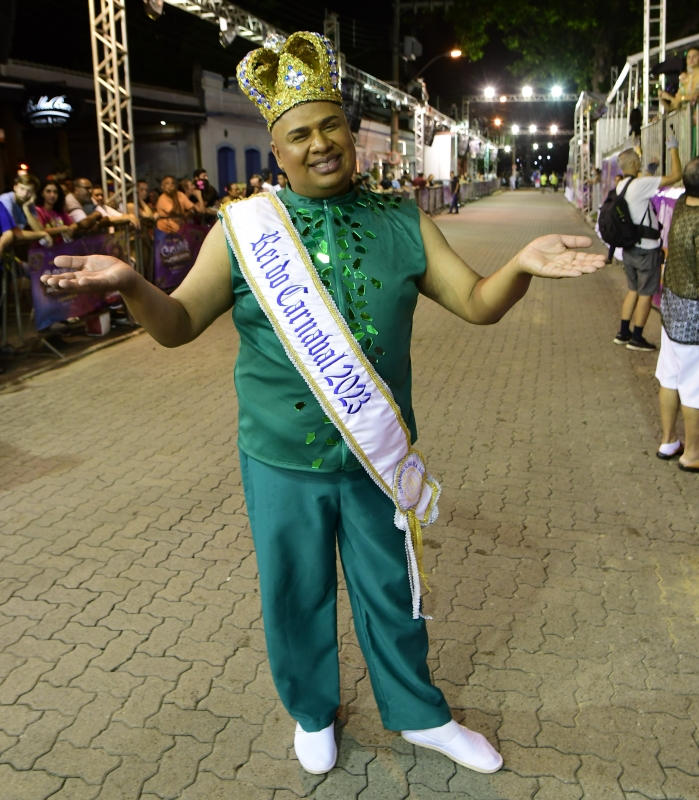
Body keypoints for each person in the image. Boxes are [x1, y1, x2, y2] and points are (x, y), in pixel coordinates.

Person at [43, 30, 604, 779]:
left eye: (330, 125)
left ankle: (418, 714)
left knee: (389, 589)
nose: (320, 144)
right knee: (294, 589)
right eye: (299, 134)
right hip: (278, 457)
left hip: (373, 456)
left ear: (349, 130)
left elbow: (475, 305)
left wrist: (522, 265)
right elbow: (176, 329)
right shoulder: (242, 233)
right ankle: (312, 711)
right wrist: (130, 284)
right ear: (276, 149)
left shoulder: (403, 220)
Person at [613, 140, 683, 351]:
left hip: (631, 248)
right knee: (646, 294)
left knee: (633, 290)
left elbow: (644, 182)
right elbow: (676, 176)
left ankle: (623, 333)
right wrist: (673, 149)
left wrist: (650, 171)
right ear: (634, 164)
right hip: (647, 248)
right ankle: (637, 337)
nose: (641, 164)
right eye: (640, 162)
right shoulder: (640, 185)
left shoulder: (621, 185)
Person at [655, 158, 699, 471]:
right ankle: (693, 454)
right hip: (693, 310)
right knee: (694, 386)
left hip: (671, 305)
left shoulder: (683, 202)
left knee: (670, 377)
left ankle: (669, 441)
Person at [33, 180, 78, 244]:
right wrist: (62, 229)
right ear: (42, 193)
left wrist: (69, 229)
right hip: (43, 249)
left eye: (55, 192)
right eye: (48, 191)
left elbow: (74, 224)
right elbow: (41, 230)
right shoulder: (37, 210)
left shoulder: (59, 210)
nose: (52, 195)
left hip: (61, 246)